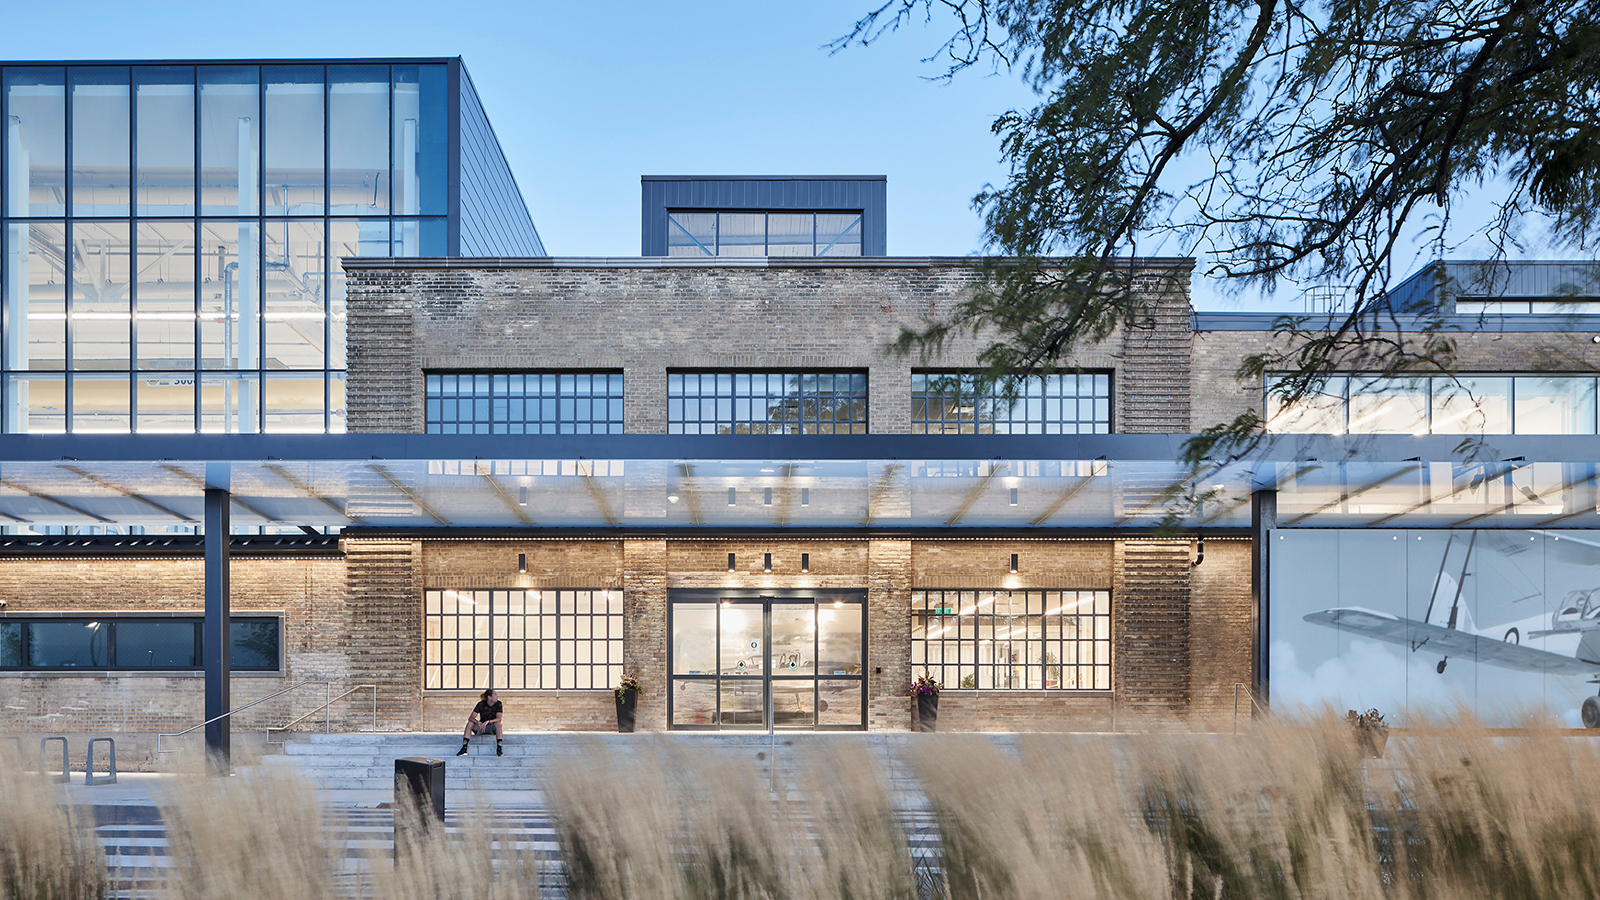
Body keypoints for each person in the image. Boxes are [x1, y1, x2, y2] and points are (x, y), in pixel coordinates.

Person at [457, 688, 504, 756]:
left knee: (498, 724)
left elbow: (499, 719)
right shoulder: (481, 704)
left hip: (491, 727)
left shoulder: (498, 704)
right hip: (481, 727)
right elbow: (471, 717)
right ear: (489, 697)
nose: (497, 696)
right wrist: (478, 722)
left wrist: (488, 721)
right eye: (495, 695)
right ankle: (464, 747)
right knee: (470, 723)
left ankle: (499, 748)